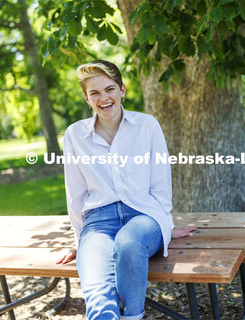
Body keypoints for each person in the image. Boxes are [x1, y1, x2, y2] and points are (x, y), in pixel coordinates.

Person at [56, 59, 197, 320]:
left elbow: (161, 185)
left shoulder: (147, 125)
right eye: (94, 93)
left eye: (109, 89)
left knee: (128, 242)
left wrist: (164, 228)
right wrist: (82, 241)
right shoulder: (75, 135)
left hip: (144, 215)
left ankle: (134, 316)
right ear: (87, 98)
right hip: (99, 222)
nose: (103, 98)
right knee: (97, 293)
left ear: (122, 90)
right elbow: (75, 193)